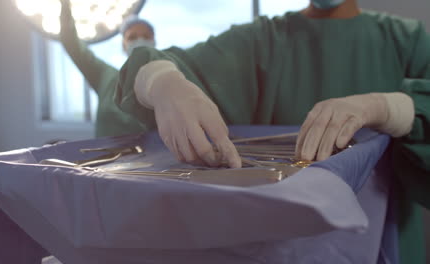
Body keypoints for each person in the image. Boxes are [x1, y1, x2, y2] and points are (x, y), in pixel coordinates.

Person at [114, 0, 430, 262]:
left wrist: (394, 108)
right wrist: (160, 80)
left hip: (389, 244)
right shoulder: (262, 41)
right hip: (283, 250)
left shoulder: (407, 40)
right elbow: (163, 63)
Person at [58, 0, 155, 137]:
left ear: (154, 42)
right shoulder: (106, 76)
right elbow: (71, 43)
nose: (139, 40)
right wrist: (65, 6)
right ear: (123, 45)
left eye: (146, 36)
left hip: (152, 157)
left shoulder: (169, 80)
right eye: (132, 37)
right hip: (107, 156)